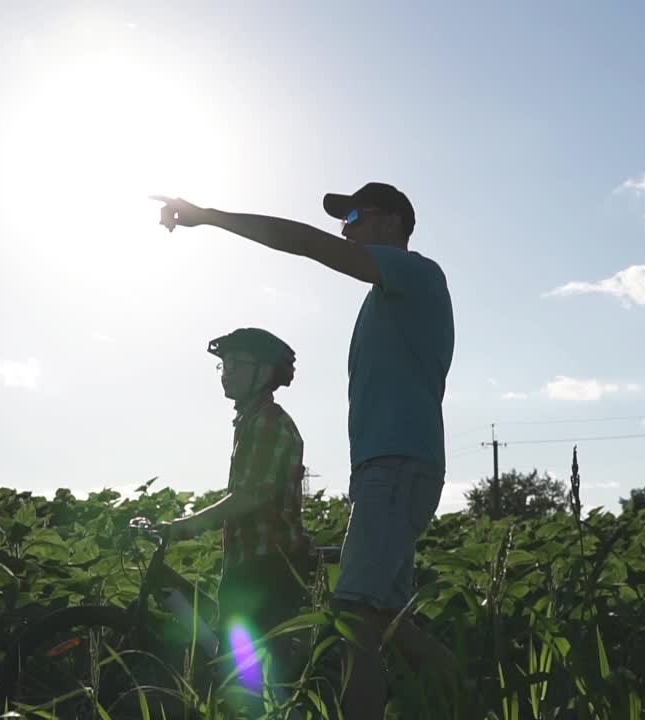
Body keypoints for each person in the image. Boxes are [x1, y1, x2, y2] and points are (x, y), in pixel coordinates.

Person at [154, 182, 460, 717]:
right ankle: (476, 696)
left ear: (393, 222)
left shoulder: (415, 273)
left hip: (395, 468)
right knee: (387, 619)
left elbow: (304, 242)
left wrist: (212, 216)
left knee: (354, 620)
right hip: (385, 470)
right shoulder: (387, 301)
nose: (346, 228)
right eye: (345, 221)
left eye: (357, 216)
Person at [161, 327, 312, 715]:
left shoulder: (268, 422)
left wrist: (187, 524)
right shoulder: (249, 421)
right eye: (223, 365)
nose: (226, 372)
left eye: (237, 364)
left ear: (264, 372)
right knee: (244, 673)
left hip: (269, 566)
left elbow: (252, 495)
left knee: (248, 679)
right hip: (251, 563)